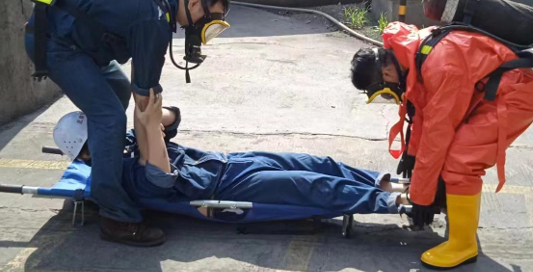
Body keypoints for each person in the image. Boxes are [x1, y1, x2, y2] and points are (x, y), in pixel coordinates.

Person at [25, 0, 230, 247]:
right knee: (109, 117)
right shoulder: (154, 18)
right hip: (56, 43)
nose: (207, 27)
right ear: (194, 4)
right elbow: (145, 96)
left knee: (118, 91)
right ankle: (115, 216)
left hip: (77, 42)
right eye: (209, 19)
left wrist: (152, 124)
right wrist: (151, 156)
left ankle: (104, 161)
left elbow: (138, 88)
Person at [350, 22, 533, 269]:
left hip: (512, 97)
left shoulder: (440, 65)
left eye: (385, 92)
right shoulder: (414, 53)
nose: (391, 95)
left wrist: (420, 197)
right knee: (447, 156)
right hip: (489, 93)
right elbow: (424, 114)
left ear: (386, 74)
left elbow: (437, 133)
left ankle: (463, 245)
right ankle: (457, 211)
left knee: (460, 161)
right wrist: (412, 155)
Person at [53, 99, 411, 227]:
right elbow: (160, 178)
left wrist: (151, 113)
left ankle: (384, 182)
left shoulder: (127, 142)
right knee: (308, 186)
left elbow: (173, 118)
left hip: (229, 162)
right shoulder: (121, 174)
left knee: (315, 162)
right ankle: (394, 202)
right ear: (87, 154)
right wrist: (150, 131)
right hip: (222, 186)